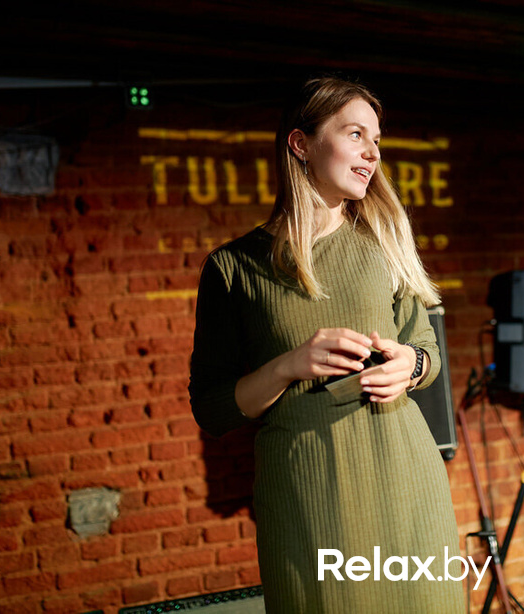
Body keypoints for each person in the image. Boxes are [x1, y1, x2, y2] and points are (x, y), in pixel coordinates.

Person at [189, 77, 464, 613]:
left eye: (376, 140)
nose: (372, 152)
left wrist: (411, 365)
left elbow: (425, 348)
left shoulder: (384, 241)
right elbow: (213, 408)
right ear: (301, 144)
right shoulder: (233, 267)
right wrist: (290, 365)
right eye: (356, 134)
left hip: (406, 476)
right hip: (307, 491)